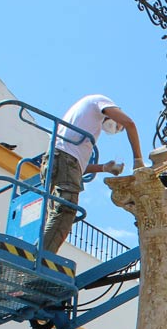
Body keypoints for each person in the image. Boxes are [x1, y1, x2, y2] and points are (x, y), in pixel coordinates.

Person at [42, 93, 144, 253]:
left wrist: (104, 168)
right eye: (118, 127)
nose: (117, 129)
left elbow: (76, 168)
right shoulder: (100, 101)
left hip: (55, 162)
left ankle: (39, 253)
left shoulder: (86, 123)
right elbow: (130, 123)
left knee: (54, 216)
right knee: (66, 210)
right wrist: (138, 160)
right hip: (63, 160)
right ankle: (41, 257)